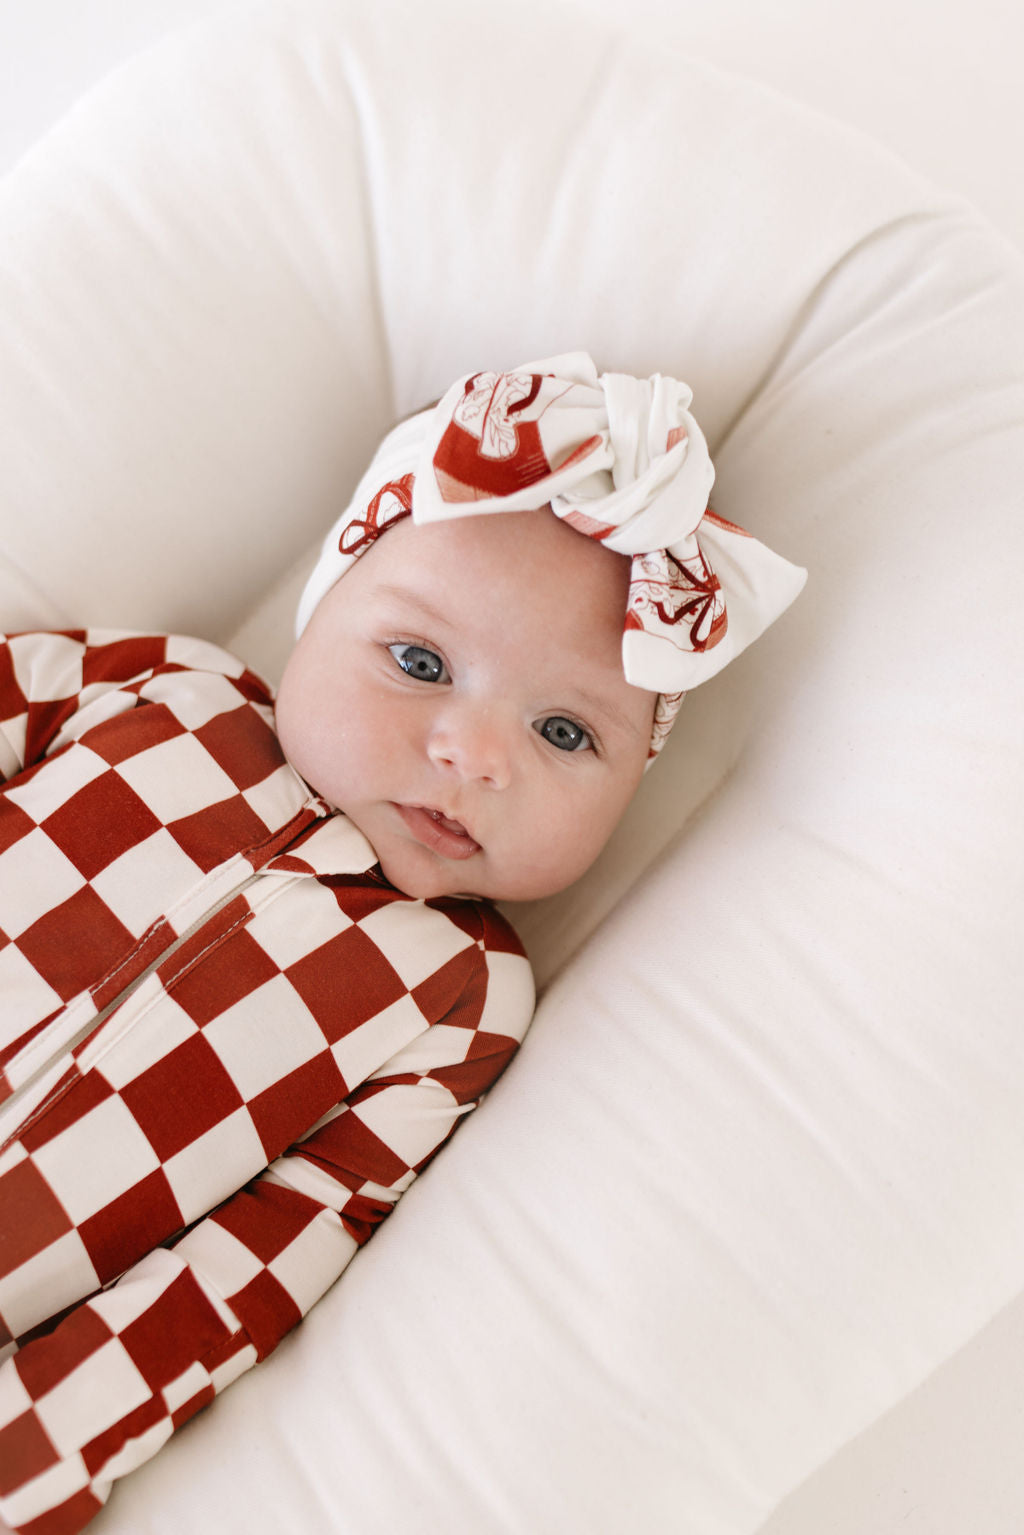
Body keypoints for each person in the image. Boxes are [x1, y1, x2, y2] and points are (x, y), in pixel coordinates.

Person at [0, 351, 805, 1532]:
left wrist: (36, 1449)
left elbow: (260, 1254)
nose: (474, 750)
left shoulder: (457, 993)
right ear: (319, 609)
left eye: (566, 731)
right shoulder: (163, 693)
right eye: (419, 662)